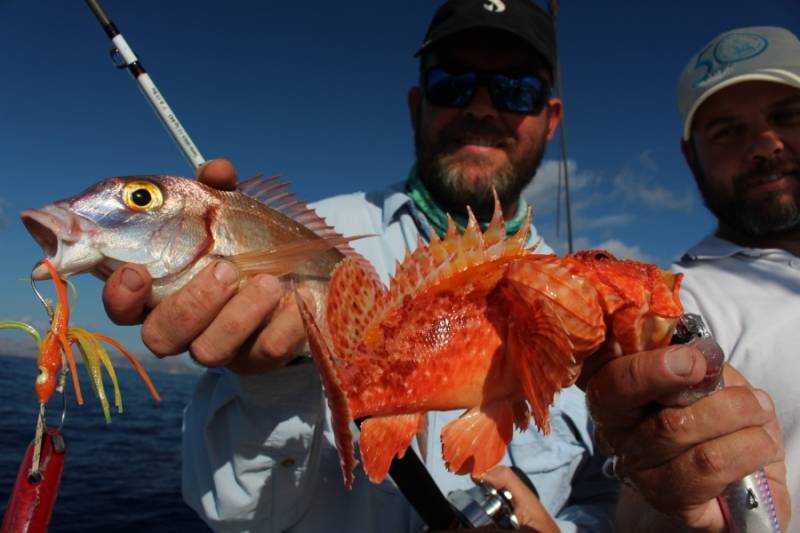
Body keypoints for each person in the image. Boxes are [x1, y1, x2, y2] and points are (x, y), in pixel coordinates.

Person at [102, 1, 618, 532]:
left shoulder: (587, 301)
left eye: (515, 89)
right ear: (417, 104)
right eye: (452, 82)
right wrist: (272, 384)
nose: (482, 108)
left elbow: (607, 497)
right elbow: (236, 518)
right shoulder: (311, 243)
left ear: (550, 118)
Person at [587, 26, 796, 532]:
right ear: (690, 157)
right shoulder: (665, 304)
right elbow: (634, 490)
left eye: (786, 116)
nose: (765, 145)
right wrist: (673, 502)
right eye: (728, 132)